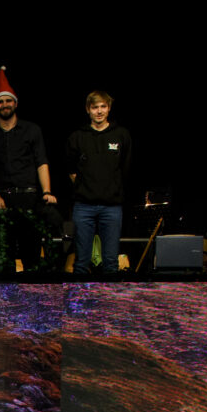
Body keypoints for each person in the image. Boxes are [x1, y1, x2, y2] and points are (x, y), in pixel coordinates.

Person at [0, 68, 55, 270]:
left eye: (8, 101)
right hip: (2, 202)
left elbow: (41, 162)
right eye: (0, 102)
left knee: (32, 257)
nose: (5, 105)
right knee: (5, 259)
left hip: (29, 199)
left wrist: (46, 191)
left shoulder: (32, 130)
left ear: (16, 103)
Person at [64, 91, 131, 277]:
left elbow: (125, 169)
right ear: (88, 109)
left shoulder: (121, 135)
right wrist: (86, 188)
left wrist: (111, 189)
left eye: (103, 106)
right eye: (95, 107)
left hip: (112, 206)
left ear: (109, 108)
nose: (99, 111)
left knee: (111, 262)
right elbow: (70, 170)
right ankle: (79, 297)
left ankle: (107, 297)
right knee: (81, 263)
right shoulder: (77, 136)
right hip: (84, 206)